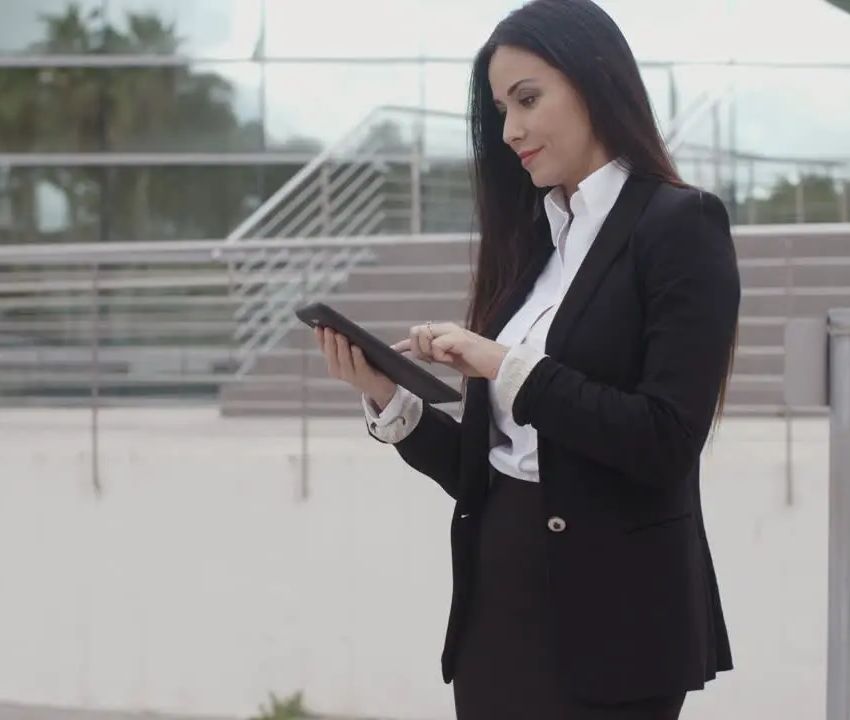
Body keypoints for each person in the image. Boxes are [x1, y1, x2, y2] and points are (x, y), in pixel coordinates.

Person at [313, 0, 739, 717]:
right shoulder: (532, 246)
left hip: (616, 624)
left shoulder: (681, 225)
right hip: (496, 610)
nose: (509, 131)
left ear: (595, 80)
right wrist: (394, 401)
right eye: (500, 109)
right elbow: (497, 474)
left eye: (528, 99)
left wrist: (504, 366)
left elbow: (664, 440)